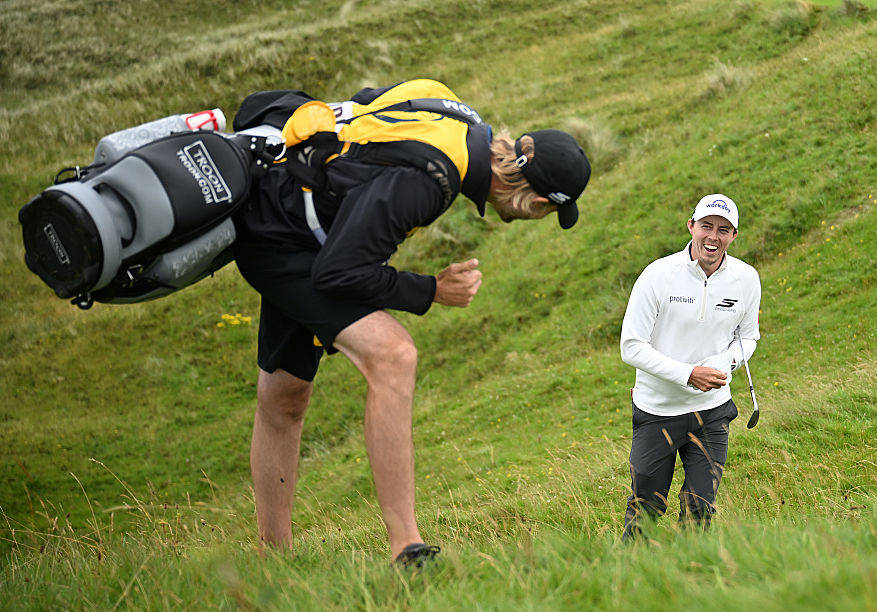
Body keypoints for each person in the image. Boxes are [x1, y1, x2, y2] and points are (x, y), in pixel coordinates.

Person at [230, 79, 591, 565]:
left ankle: (272, 560)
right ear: (540, 202)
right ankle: (407, 546)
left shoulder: (455, 113)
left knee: (285, 395)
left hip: (290, 207)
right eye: (546, 213)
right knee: (393, 355)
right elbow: (341, 273)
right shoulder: (433, 179)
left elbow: (366, 101)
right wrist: (431, 290)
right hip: (285, 236)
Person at [619, 194, 760, 539]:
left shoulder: (746, 279)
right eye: (707, 226)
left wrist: (725, 362)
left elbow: (749, 337)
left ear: (734, 235)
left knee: (700, 507)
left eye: (723, 230)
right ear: (691, 227)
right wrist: (688, 374)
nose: (713, 236)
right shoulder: (658, 275)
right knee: (645, 507)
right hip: (658, 412)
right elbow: (631, 347)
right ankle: (626, 579)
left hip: (712, 412)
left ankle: (691, 574)